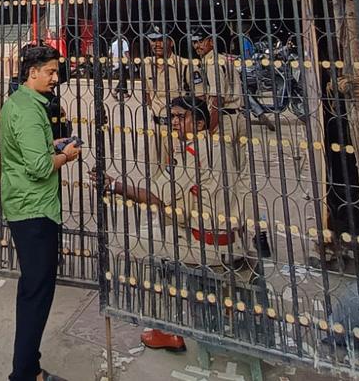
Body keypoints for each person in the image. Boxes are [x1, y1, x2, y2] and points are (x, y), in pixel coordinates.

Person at [93, 97, 252, 351]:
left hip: (208, 244)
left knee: (130, 248)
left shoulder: (194, 152)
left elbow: (158, 196)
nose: (175, 123)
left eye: (182, 117)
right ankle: (219, 307)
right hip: (228, 235)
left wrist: (115, 186)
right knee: (161, 229)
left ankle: (165, 329)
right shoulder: (217, 146)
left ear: (200, 123)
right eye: (173, 117)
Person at [0, 44, 79, 381]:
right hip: (34, 209)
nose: (55, 78)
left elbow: (29, 151)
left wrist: (52, 146)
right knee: (37, 291)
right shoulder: (31, 110)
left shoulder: (19, 102)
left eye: (56, 71)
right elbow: (38, 166)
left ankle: (28, 367)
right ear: (32, 71)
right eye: (50, 71)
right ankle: (24, 373)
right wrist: (66, 156)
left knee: (33, 288)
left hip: (23, 204)